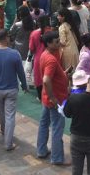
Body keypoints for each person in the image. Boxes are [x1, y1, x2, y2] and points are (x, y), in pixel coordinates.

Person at [0, 28, 28, 151]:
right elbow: (21, 73)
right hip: (12, 89)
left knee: (0, 112)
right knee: (10, 116)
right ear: (7, 38)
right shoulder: (14, 54)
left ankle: (3, 129)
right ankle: (8, 143)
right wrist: (24, 86)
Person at [36, 30, 70, 166]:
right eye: (56, 41)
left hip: (47, 97)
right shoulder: (50, 59)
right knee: (57, 128)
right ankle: (57, 157)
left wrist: (63, 73)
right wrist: (53, 98)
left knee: (44, 124)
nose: (59, 43)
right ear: (49, 43)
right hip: (55, 99)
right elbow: (46, 79)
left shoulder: (45, 54)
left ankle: (41, 150)